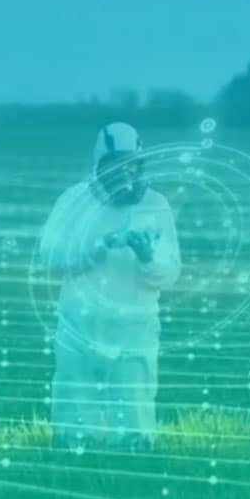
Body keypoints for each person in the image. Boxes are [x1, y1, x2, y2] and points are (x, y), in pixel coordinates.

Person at [36, 122, 181, 450]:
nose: (127, 175)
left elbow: (170, 272)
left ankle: (133, 445)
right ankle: (75, 441)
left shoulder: (156, 205)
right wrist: (98, 247)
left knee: (134, 386)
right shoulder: (74, 201)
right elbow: (51, 257)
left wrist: (148, 257)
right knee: (76, 384)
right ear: (99, 166)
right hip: (81, 318)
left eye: (134, 166)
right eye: (117, 166)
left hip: (134, 321)